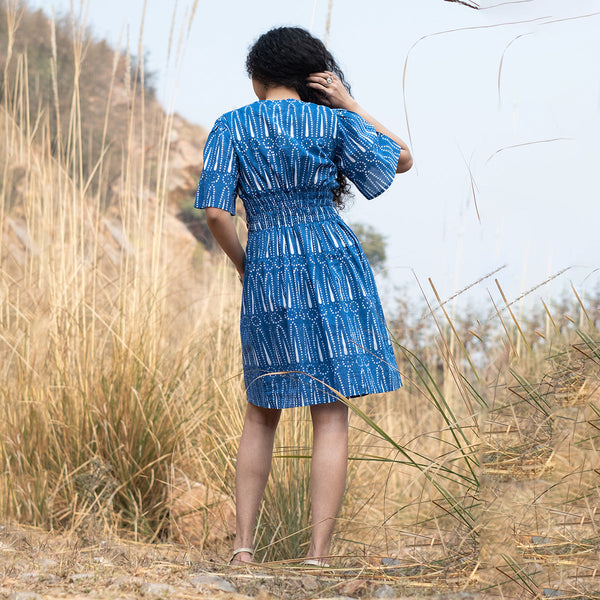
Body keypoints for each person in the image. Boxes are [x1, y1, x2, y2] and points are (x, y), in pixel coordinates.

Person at [195, 26, 413, 567]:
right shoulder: (332, 120)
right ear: (310, 76)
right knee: (329, 412)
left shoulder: (231, 126)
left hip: (268, 261)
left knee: (261, 410)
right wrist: (348, 101)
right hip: (334, 261)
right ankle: (317, 556)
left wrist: (248, 266)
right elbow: (402, 159)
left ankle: (244, 548)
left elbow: (217, 213)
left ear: (258, 77)